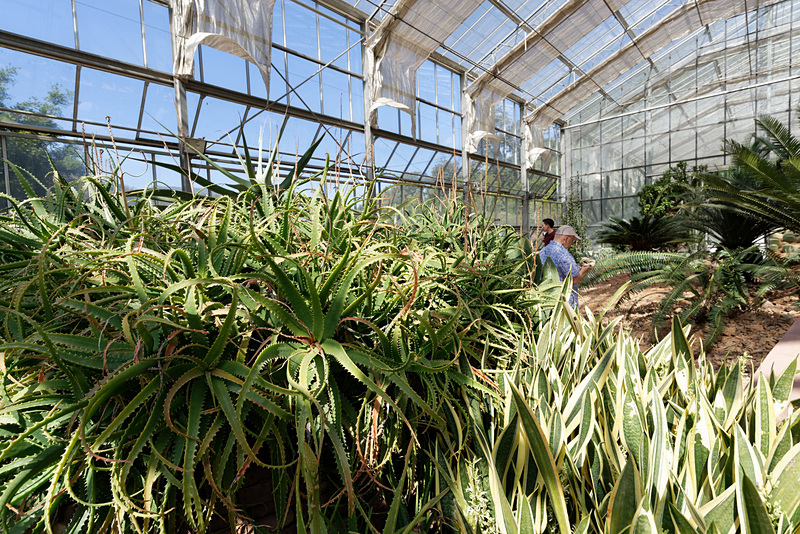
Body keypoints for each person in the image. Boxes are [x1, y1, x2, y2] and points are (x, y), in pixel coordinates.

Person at [538, 225, 592, 308]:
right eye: (572, 240)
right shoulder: (563, 254)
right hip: (564, 303)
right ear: (566, 238)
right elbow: (574, 279)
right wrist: (585, 269)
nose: (572, 244)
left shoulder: (544, 250)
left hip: (547, 300)